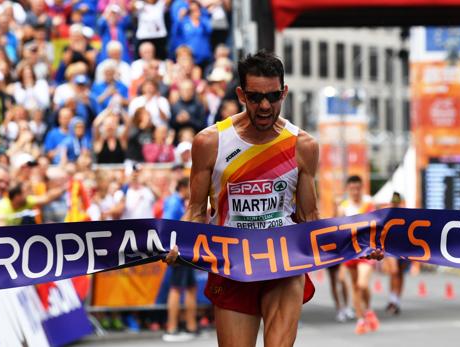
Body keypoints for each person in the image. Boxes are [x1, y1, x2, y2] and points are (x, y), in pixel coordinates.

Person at [164, 51, 383, 347]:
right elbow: (196, 212)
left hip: (283, 260)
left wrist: (355, 243)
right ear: (241, 94)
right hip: (233, 264)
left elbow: (310, 218)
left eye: (273, 96)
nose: (265, 106)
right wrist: (181, 243)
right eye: (255, 98)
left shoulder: (302, 145)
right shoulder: (210, 142)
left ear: (284, 92)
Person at [337, 175, 379, 334]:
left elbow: (377, 226)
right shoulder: (343, 207)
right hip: (350, 252)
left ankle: (368, 309)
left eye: (357, 188)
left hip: (367, 251)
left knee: (362, 284)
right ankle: (361, 320)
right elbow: (339, 231)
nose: (355, 191)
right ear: (348, 189)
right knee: (355, 286)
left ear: (362, 188)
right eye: (352, 189)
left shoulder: (369, 204)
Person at [162, 177, 197, 342]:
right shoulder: (173, 202)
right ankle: (172, 328)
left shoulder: (182, 201)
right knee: (176, 289)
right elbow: (167, 225)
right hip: (176, 251)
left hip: (187, 251)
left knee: (191, 287)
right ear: (184, 187)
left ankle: (191, 327)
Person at [383, 191, 408, 315]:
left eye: (397, 202)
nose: (395, 204)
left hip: (404, 248)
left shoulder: (407, 215)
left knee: (400, 274)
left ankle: (396, 300)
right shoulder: (387, 214)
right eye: (393, 202)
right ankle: (392, 299)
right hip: (390, 248)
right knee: (394, 272)